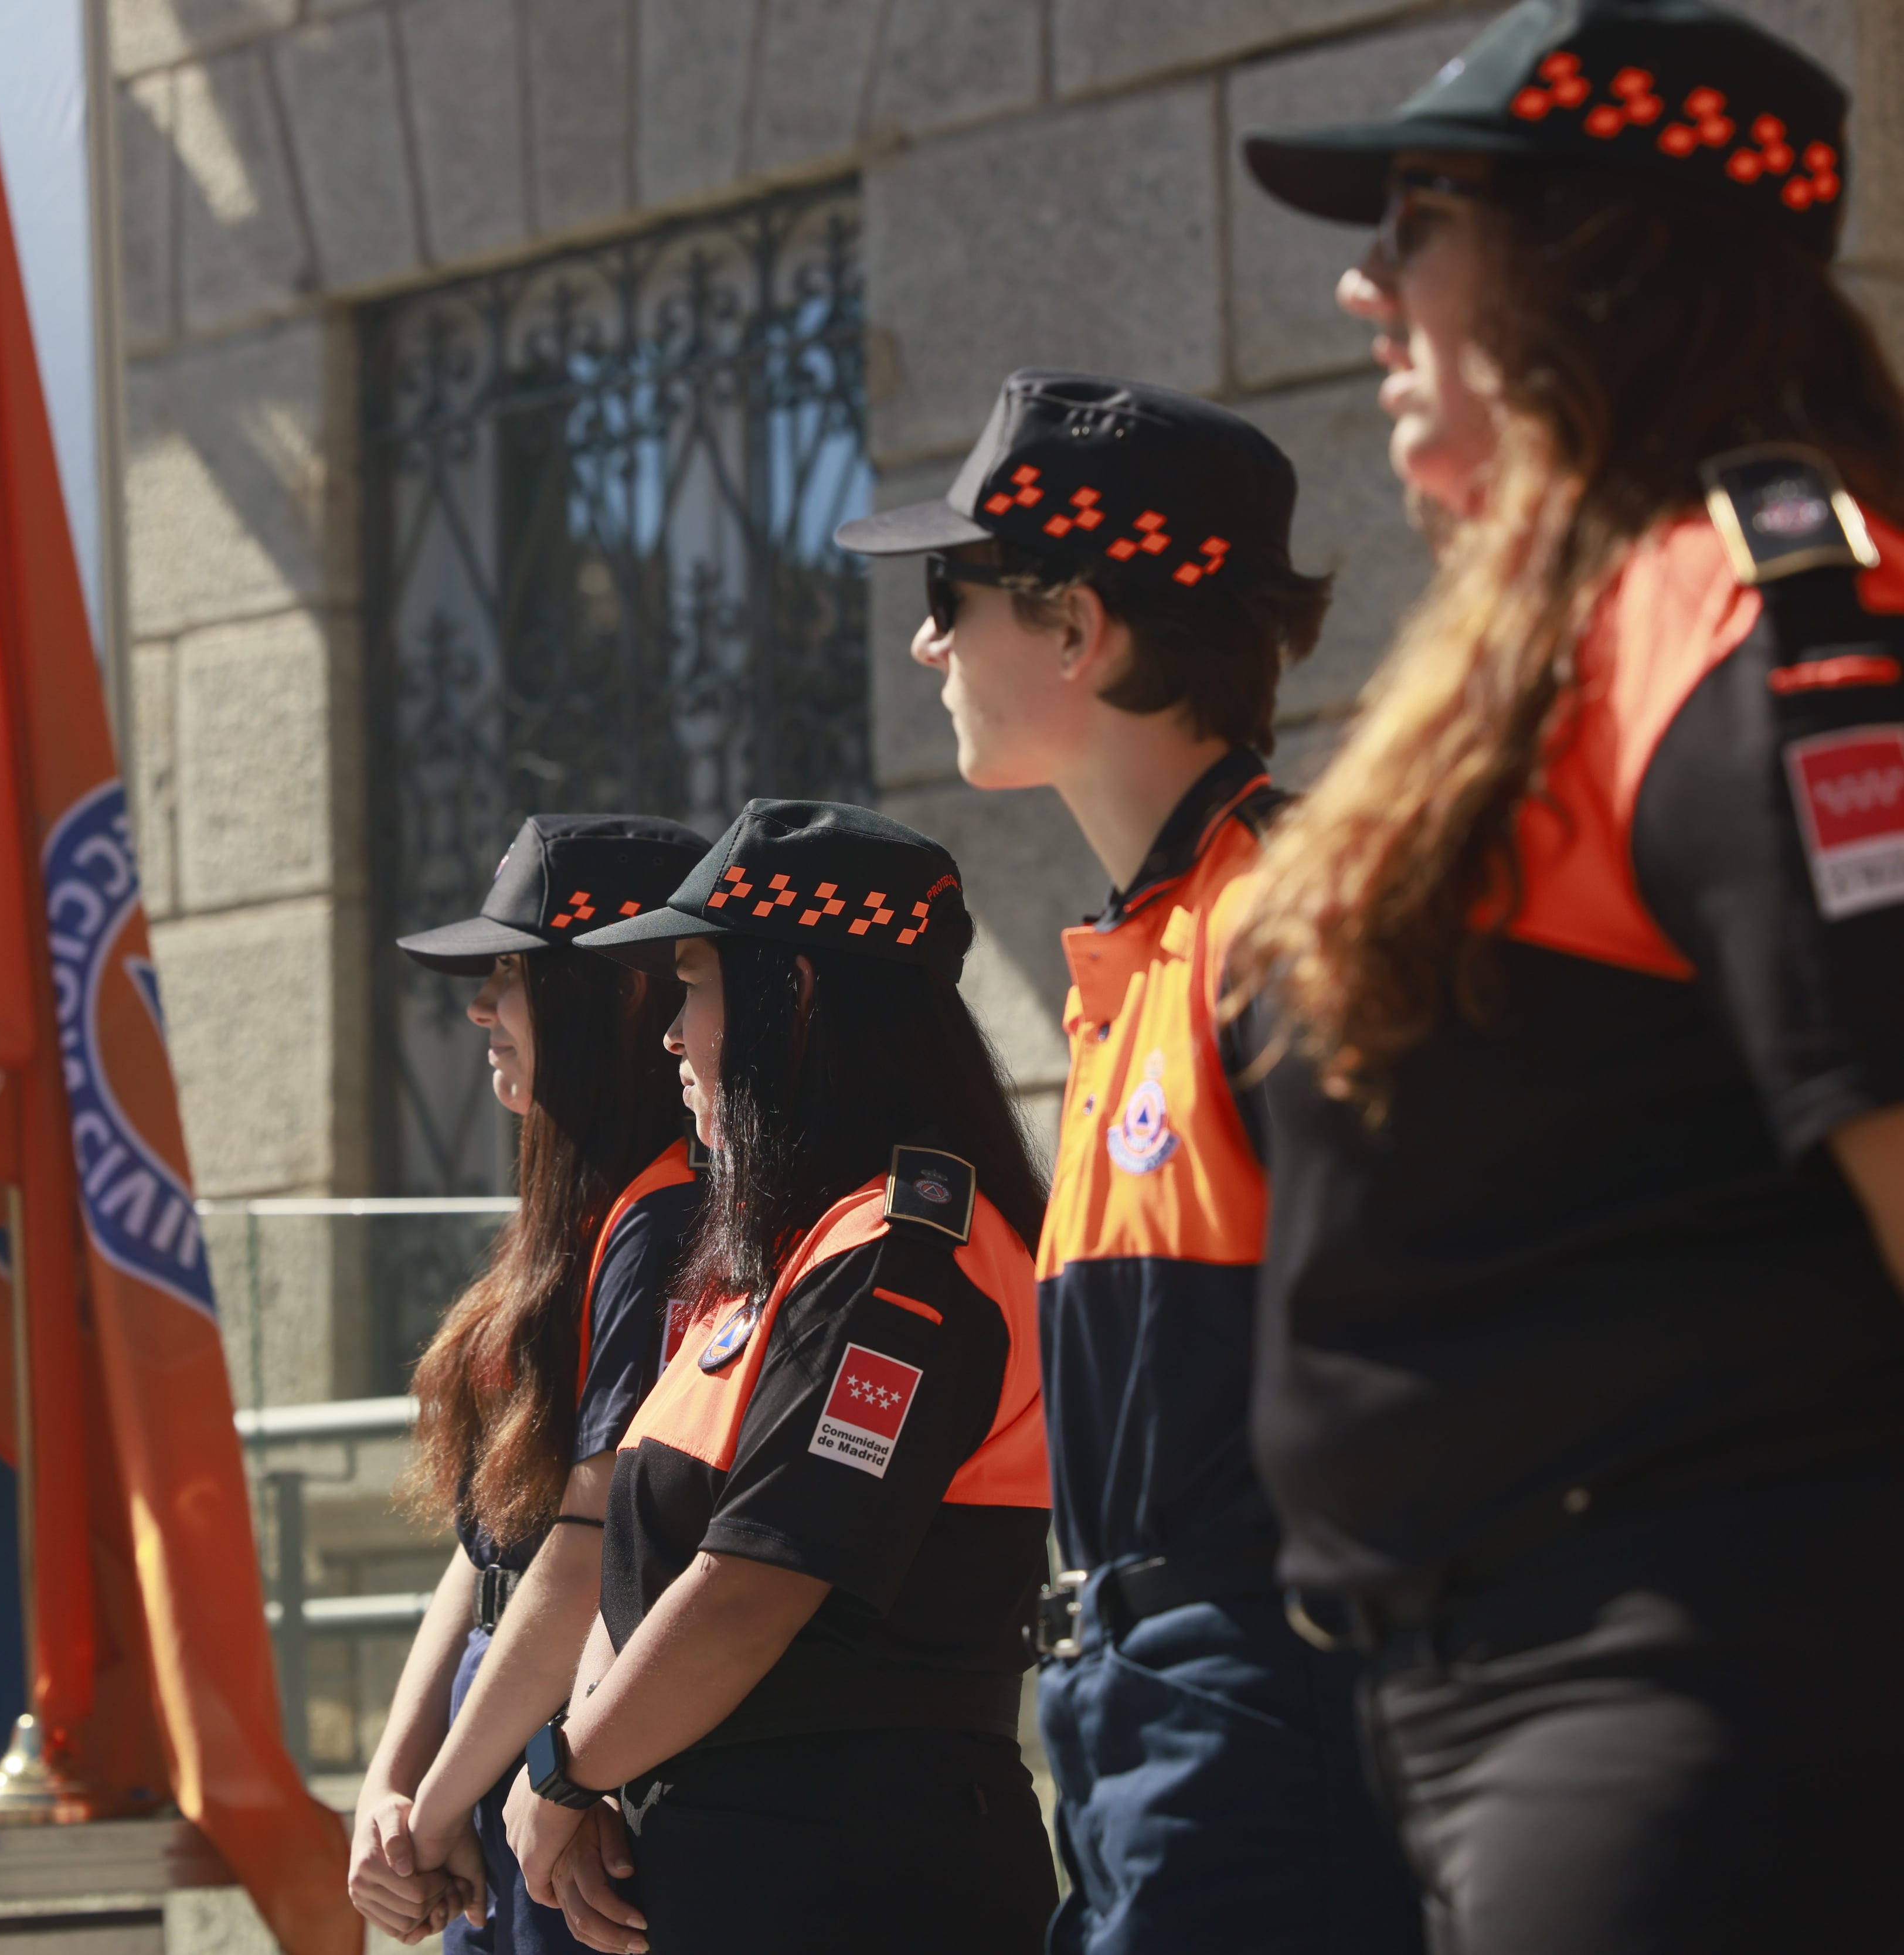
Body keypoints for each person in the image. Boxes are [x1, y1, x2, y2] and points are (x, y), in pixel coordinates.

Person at [1233, 2, 1904, 1946]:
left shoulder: (1768, 598)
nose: (1365, 280)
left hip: (1688, 1684)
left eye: (1422, 214)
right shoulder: (1595, 615)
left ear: (1601, 251)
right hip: (1496, 1690)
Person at [834, 373, 1423, 1952]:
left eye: (950, 598)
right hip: (1147, 1729)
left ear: (1080, 627)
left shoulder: (1277, 932)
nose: (926, 644)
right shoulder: (1149, 954)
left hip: (1263, 1739)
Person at [501, 801, 1059, 1955]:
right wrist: (590, 1758)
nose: (670, 1038)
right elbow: (639, 1567)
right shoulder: (774, 1261)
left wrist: (563, 1769)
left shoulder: (903, 1260)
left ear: (791, 995)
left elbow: (756, 1583)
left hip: (863, 1872)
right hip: (735, 1865)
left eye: (693, 988)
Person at [349, 813, 710, 1949]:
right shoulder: (582, 1212)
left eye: (511, 977)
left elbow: (585, 1550)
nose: (479, 1011)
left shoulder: (669, 1219)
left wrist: (440, 1804)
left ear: (617, 998)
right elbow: (491, 1545)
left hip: (570, 1766)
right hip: (495, 1743)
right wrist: (393, 1785)